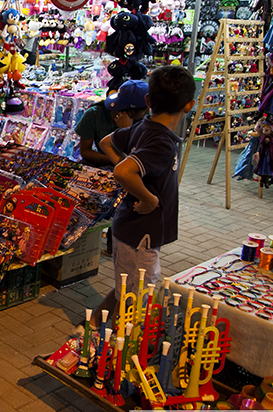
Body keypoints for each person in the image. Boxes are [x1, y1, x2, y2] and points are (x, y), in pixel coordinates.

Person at [92, 66, 196, 328]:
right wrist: (149, 199)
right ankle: (114, 347)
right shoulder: (161, 141)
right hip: (140, 234)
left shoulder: (144, 128)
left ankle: (91, 326)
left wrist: (125, 163)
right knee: (135, 300)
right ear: (189, 105)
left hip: (131, 229)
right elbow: (123, 171)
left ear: (149, 101)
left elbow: (106, 142)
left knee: (125, 291)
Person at [75, 80, 150, 167]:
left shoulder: (147, 121)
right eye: (145, 109)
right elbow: (85, 151)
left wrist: (126, 131)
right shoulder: (95, 114)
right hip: (106, 161)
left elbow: (138, 161)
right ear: (129, 112)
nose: (148, 111)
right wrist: (112, 159)